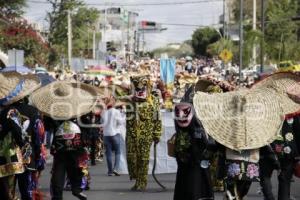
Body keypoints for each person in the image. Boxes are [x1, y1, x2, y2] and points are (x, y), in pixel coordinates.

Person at [30, 81, 99, 200]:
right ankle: (76, 188)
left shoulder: (52, 113)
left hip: (60, 147)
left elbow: (47, 126)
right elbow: (87, 126)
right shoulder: (80, 111)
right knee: (77, 168)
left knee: (59, 171)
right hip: (76, 147)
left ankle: (58, 195)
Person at [0, 72, 41, 200]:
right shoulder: (33, 111)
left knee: (8, 192)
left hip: (7, 158)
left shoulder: (3, 112)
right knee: (27, 191)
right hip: (27, 157)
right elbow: (38, 137)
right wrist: (38, 157)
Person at [126, 75, 162, 191]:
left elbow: (157, 118)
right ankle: (137, 180)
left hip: (146, 134)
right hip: (132, 134)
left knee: (143, 159)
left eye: (142, 86)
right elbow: (128, 118)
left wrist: (157, 134)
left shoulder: (153, 101)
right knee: (132, 158)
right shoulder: (131, 101)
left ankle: (142, 182)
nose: (140, 89)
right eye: (137, 87)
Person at [173, 102, 214, 200]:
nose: (181, 116)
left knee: (195, 190)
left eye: (185, 112)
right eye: (178, 113)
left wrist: (205, 158)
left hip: (197, 167)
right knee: (184, 189)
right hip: (184, 167)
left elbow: (210, 146)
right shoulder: (179, 132)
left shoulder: (198, 130)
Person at [259, 116, 300, 200]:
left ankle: (269, 198)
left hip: (267, 149)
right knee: (284, 181)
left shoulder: (267, 112)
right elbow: (298, 133)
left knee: (265, 177)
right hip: (288, 151)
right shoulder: (293, 112)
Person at [101, 96, 123, 176]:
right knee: (118, 152)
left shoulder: (104, 112)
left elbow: (101, 123)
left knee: (108, 153)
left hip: (106, 134)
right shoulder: (116, 111)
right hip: (115, 133)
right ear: (113, 103)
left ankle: (110, 171)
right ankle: (116, 169)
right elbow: (120, 122)